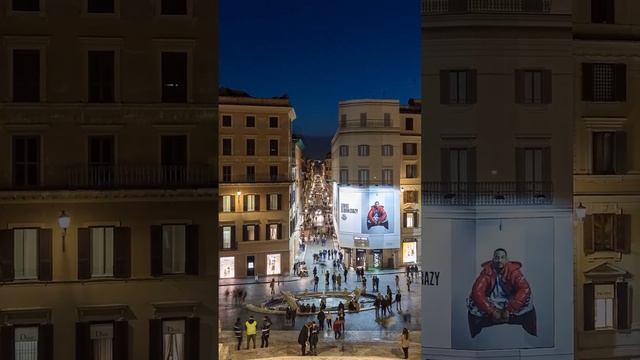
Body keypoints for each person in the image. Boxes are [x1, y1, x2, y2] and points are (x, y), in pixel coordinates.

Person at [467, 248, 536, 338]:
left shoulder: (514, 271)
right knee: (472, 301)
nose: (499, 260)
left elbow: (525, 289)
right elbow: (477, 292)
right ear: (493, 259)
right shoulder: (487, 271)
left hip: (510, 301)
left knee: (528, 300)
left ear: (507, 259)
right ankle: (474, 337)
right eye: (497, 257)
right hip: (492, 302)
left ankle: (532, 336)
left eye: (502, 257)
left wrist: (509, 309)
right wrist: (492, 311)